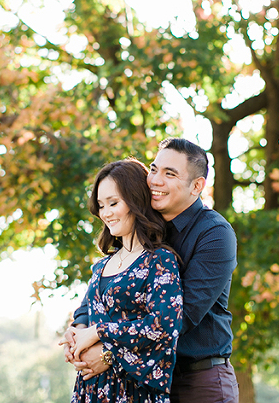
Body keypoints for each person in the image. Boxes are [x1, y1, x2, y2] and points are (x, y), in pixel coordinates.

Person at [65, 138, 239, 403]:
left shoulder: (214, 234)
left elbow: (179, 318)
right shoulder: (141, 231)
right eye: (154, 169)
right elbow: (104, 296)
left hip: (197, 379)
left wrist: (109, 353)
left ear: (196, 186)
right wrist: (79, 330)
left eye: (170, 174)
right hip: (139, 382)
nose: (156, 180)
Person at [60, 158, 183, 403]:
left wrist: (99, 333)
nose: (105, 213)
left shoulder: (159, 260)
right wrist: (75, 335)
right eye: (101, 205)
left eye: (113, 203)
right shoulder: (101, 266)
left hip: (133, 391)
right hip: (91, 390)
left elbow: (163, 327)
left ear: (136, 201)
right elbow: (86, 313)